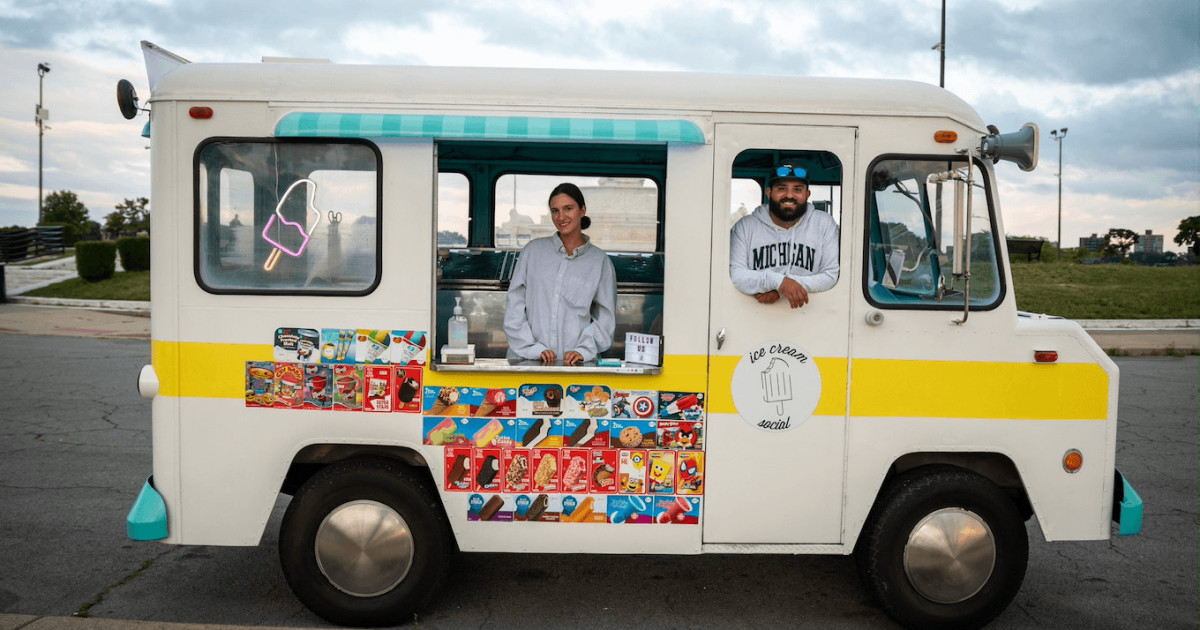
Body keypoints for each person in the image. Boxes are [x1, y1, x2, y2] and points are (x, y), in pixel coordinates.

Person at [505, 183, 617, 365]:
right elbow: (514, 306)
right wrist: (532, 348)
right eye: (555, 211)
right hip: (529, 361)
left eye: (568, 209)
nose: (561, 217)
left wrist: (583, 350)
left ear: (582, 210)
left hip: (576, 365)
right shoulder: (533, 251)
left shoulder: (599, 261)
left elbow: (605, 317)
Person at [729, 163, 839, 308]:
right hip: (754, 316)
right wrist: (777, 282)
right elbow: (736, 274)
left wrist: (783, 287)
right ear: (769, 193)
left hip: (810, 317)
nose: (789, 195)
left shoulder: (824, 223)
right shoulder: (745, 226)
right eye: (782, 188)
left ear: (807, 194)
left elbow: (831, 275)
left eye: (797, 189)